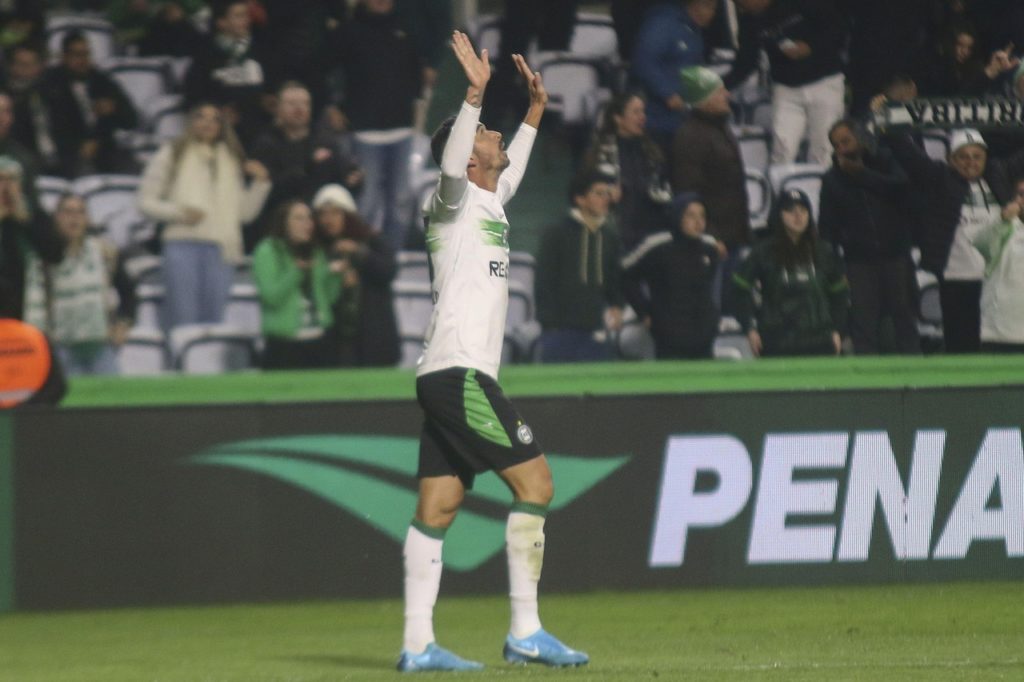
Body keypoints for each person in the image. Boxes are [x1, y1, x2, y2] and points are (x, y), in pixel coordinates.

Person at [396, 31, 588, 673]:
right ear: (468, 152)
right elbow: (454, 166)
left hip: (445, 374)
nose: (494, 136)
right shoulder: (448, 203)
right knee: (537, 483)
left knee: (439, 507)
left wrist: (534, 112)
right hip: (460, 373)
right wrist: (473, 94)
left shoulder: (489, 203)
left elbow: (512, 165)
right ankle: (525, 630)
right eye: (485, 132)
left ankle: (418, 644)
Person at [884, 125, 1024, 353]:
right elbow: (909, 156)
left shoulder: (997, 174)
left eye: (977, 156)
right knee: (961, 346)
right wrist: (888, 120)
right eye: (963, 157)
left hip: (994, 280)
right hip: (956, 278)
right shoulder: (939, 179)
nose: (971, 162)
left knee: (993, 345)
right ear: (950, 159)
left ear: (986, 157)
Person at [138, 103, 271, 331]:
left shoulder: (231, 159)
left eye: (215, 118)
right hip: (182, 245)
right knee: (183, 320)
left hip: (222, 249)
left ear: (222, 125)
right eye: (201, 117)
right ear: (191, 122)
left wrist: (261, 184)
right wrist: (179, 213)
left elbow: (244, 214)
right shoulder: (172, 152)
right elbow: (144, 202)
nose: (208, 123)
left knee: (214, 324)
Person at [818, 118, 920, 355]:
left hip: (897, 255)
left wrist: (861, 174)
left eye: (846, 141)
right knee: (863, 324)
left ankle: (916, 377)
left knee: (905, 319)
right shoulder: (832, 179)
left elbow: (901, 188)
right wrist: (833, 267)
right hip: (859, 261)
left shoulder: (886, 160)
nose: (842, 148)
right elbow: (827, 229)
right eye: (837, 145)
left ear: (861, 138)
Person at [331, 0, 423, 253]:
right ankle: (361, 256)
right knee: (367, 199)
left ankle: (391, 258)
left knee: (401, 200)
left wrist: (413, 107)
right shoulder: (348, 31)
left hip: (401, 129)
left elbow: (416, 73)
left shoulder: (406, 28)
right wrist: (335, 106)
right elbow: (330, 69)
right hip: (363, 131)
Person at [22, 193, 135, 376]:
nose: (74, 218)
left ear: (88, 219)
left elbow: (128, 290)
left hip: (99, 344)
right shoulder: (44, 256)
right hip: (60, 345)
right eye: (68, 212)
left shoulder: (103, 251)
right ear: (56, 217)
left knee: (113, 401)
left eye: (80, 212)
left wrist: (123, 322)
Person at [723, 0, 848, 165]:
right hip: (786, 87)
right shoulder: (749, 20)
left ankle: (819, 188)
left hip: (824, 81)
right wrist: (720, 86)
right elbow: (746, 61)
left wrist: (811, 47)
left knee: (824, 149)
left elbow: (837, 29)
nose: (742, 7)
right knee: (782, 149)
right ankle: (781, 187)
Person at [733, 188, 849, 357]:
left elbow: (840, 294)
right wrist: (750, 328)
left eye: (803, 211)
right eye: (791, 211)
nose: (798, 216)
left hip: (820, 341)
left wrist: (838, 330)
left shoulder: (824, 251)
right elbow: (739, 290)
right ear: (779, 215)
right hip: (777, 342)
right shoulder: (763, 251)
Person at [671, 66, 748, 312]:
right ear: (702, 100)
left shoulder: (719, 127)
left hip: (733, 236)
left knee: (731, 307)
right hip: (715, 243)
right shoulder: (690, 137)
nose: (726, 95)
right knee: (713, 309)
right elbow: (688, 193)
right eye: (718, 92)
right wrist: (711, 237)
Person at [249, 81, 362, 247]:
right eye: (292, 104)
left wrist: (354, 180)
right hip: (278, 228)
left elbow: (341, 182)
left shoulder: (326, 141)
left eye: (305, 103)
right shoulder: (265, 144)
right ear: (277, 108)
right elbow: (270, 190)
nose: (299, 109)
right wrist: (307, 167)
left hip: (320, 229)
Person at [535, 171, 624, 363]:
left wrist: (617, 305)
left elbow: (614, 279)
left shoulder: (610, 236)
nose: (605, 199)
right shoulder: (556, 233)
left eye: (607, 194)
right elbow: (544, 280)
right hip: (559, 331)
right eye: (599, 193)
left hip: (596, 329)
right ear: (580, 199)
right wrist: (550, 324)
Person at [622, 192, 721, 359]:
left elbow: (709, 285)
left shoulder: (709, 247)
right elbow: (625, 274)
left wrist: (712, 321)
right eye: (691, 215)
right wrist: (644, 313)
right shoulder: (658, 246)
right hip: (670, 338)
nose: (698, 222)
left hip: (704, 337)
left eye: (702, 215)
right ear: (678, 215)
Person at [312, 183, 400, 367]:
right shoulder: (317, 250)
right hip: (336, 342)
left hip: (373, 337)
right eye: (323, 214)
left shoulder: (371, 240)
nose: (328, 220)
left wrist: (358, 253)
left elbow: (388, 270)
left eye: (335, 213)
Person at [252, 199, 343, 369]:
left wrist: (334, 277)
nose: (306, 224)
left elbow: (329, 299)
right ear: (284, 222)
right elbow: (271, 297)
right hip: (284, 345)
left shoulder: (315, 252)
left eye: (309, 218)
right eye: (298, 218)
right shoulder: (267, 251)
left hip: (319, 341)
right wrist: (295, 273)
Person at [39, 31, 139, 178]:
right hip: (66, 154)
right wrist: (79, 148)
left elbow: (131, 120)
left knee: (133, 168)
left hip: (104, 150)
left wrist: (114, 109)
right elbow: (49, 126)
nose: (83, 60)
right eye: (77, 55)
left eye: (86, 54)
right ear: (64, 56)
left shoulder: (101, 81)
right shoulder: (50, 83)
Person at [581, 93, 671, 251]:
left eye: (643, 112)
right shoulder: (599, 153)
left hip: (651, 233)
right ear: (618, 118)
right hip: (614, 235)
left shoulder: (653, 152)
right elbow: (584, 191)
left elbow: (665, 189)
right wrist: (608, 194)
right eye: (636, 112)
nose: (642, 117)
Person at [630, 0, 718, 155]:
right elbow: (643, 61)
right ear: (696, 5)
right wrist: (668, 93)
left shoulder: (694, 32)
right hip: (653, 121)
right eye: (710, 7)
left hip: (681, 123)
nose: (713, 14)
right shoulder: (663, 23)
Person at [183, 0, 278, 144]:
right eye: (239, 16)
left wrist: (268, 101)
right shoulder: (206, 56)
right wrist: (217, 112)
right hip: (218, 135)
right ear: (221, 22)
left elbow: (271, 88)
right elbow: (192, 96)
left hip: (258, 133)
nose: (246, 21)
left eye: (246, 16)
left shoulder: (261, 51)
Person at [0, 155, 62, 319]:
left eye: (12, 179)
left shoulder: (35, 215)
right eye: (0, 179)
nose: (6, 187)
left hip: (28, 311)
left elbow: (56, 254)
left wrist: (26, 222)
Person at [971, 177, 1024, 353]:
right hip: (998, 334)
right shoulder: (1005, 227)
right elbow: (981, 243)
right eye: (1022, 195)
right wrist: (1002, 219)